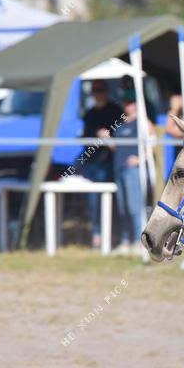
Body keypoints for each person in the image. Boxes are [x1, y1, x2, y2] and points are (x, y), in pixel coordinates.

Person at [82, 81, 123, 249]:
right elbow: (85, 137)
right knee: (93, 203)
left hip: (109, 164)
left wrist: (108, 137)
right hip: (92, 163)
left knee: (112, 202)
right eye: (95, 91)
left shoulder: (115, 111)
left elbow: (121, 135)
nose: (97, 94)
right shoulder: (90, 113)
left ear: (106, 92)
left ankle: (113, 235)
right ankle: (97, 235)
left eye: (100, 90)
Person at [108, 100, 144, 255]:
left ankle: (138, 241)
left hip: (132, 170)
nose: (127, 106)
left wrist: (140, 159)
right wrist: (106, 139)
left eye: (130, 102)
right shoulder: (121, 123)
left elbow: (152, 142)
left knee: (134, 206)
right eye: (126, 103)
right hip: (119, 168)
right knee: (123, 208)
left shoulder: (142, 122)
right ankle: (125, 241)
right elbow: (117, 147)